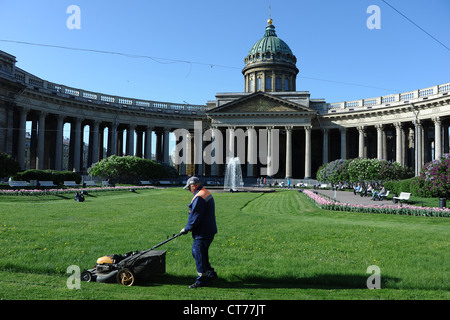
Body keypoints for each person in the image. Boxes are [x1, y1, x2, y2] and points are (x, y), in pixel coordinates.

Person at [181, 176, 218, 288]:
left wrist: (187, 228)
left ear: (193, 185)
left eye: (189, 188)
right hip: (208, 229)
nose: (188, 190)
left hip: (203, 231)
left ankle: (202, 280)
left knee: (198, 253)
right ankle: (210, 273)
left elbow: (196, 216)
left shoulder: (199, 197)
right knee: (201, 253)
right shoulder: (204, 192)